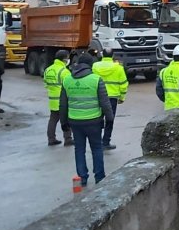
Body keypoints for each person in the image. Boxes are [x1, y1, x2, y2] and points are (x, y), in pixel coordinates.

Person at [60, 53, 114, 186]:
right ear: (90, 65)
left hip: (75, 121)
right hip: (93, 121)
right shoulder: (96, 79)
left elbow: (63, 104)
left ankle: (82, 178)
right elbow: (105, 103)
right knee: (96, 148)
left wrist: (63, 123)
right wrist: (110, 118)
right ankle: (99, 177)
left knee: (79, 149)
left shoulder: (67, 79)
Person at [92, 48, 128, 150]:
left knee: (97, 119)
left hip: (98, 96)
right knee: (109, 119)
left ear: (102, 55)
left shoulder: (95, 66)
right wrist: (122, 97)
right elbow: (123, 84)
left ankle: (97, 142)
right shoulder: (118, 68)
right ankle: (106, 142)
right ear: (112, 56)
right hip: (112, 97)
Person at [44, 50, 73, 146]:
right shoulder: (64, 71)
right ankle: (68, 139)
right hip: (63, 100)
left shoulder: (48, 69)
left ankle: (51, 139)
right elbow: (69, 86)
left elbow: (46, 84)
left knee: (53, 120)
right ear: (64, 59)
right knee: (66, 120)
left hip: (52, 100)